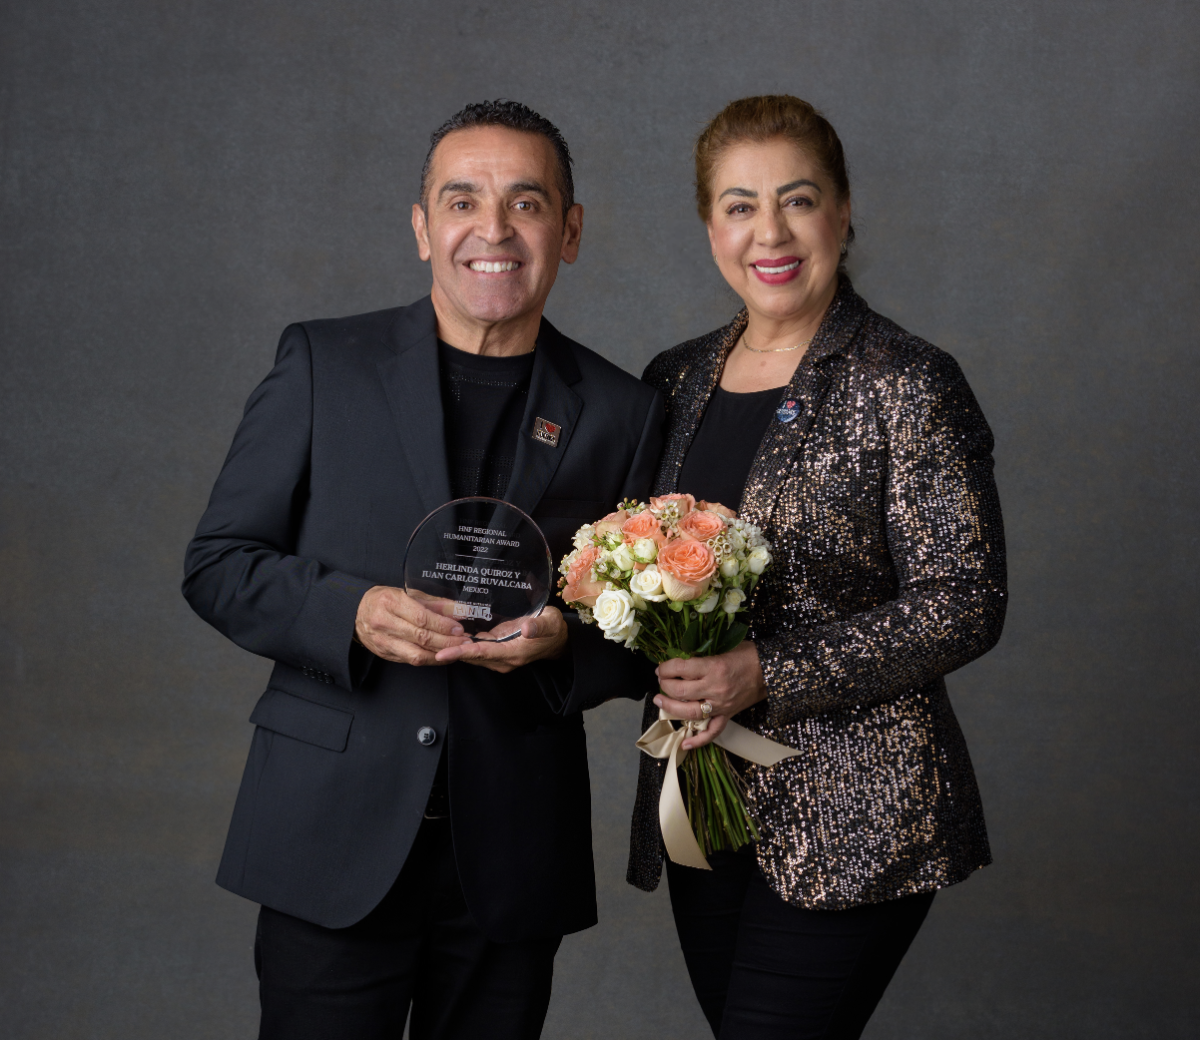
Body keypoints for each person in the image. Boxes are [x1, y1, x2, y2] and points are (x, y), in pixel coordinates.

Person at [183, 100, 662, 1040]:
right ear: (421, 227)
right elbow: (217, 564)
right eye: (462, 200)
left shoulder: (622, 409)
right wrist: (348, 612)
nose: (494, 229)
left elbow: (642, 634)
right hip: (330, 832)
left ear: (569, 232)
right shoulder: (323, 363)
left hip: (513, 848)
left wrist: (569, 642)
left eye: (527, 204)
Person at [628, 95, 1007, 1039]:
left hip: (857, 811)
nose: (771, 231)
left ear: (842, 212)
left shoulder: (906, 380)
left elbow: (966, 600)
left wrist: (769, 670)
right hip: (705, 808)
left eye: (798, 200)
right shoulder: (671, 381)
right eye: (740, 204)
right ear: (709, 224)